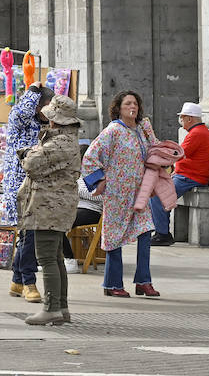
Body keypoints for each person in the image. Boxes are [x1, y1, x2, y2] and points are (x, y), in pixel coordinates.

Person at [82, 90, 161, 298]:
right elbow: (90, 155)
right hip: (117, 194)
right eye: (127, 104)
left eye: (134, 103)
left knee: (145, 232)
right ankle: (112, 283)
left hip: (140, 193)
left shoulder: (142, 130)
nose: (132, 107)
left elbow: (155, 151)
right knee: (114, 238)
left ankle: (143, 281)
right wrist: (99, 180)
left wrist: (150, 133)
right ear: (118, 108)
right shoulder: (113, 131)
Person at [14, 94, 81, 325]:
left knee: (47, 258)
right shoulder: (65, 139)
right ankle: (61, 307)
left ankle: (51, 307)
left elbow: (32, 164)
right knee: (55, 257)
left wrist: (26, 154)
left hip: (48, 206)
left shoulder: (60, 143)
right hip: (55, 206)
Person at [2, 83, 54, 304]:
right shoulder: (22, 122)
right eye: (46, 106)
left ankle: (17, 280)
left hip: (41, 187)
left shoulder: (50, 128)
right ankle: (29, 281)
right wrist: (33, 91)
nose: (50, 111)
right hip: (19, 187)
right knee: (30, 234)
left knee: (27, 235)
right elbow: (20, 112)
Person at [150, 101, 209, 245]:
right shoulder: (199, 132)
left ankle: (162, 234)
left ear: (189, 118)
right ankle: (161, 231)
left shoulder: (197, 133)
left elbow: (178, 154)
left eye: (182, 117)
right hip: (188, 176)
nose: (181, 121)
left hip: (191, 177)